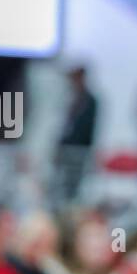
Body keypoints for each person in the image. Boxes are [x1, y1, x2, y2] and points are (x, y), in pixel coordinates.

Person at [53, 61, 98, 207]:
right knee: (62, 185)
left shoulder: (89, 100)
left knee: (75, 188)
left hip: (80, 151)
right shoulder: (70, 98)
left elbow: (86, 129)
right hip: (67, 150)